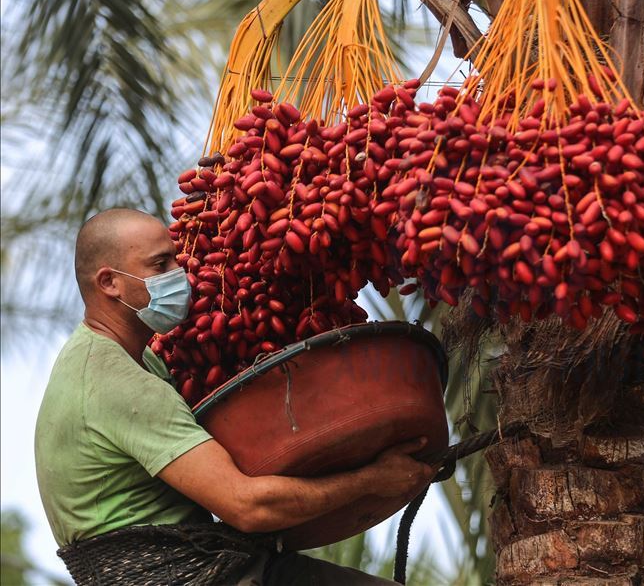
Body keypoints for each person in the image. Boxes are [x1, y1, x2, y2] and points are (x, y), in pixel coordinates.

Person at [35, 208, 436, 584]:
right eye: (160, 266)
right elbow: (248, 506)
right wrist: (372, 480)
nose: (182, 276)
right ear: (109, 282)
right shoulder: (116, 381)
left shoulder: (119, 358)